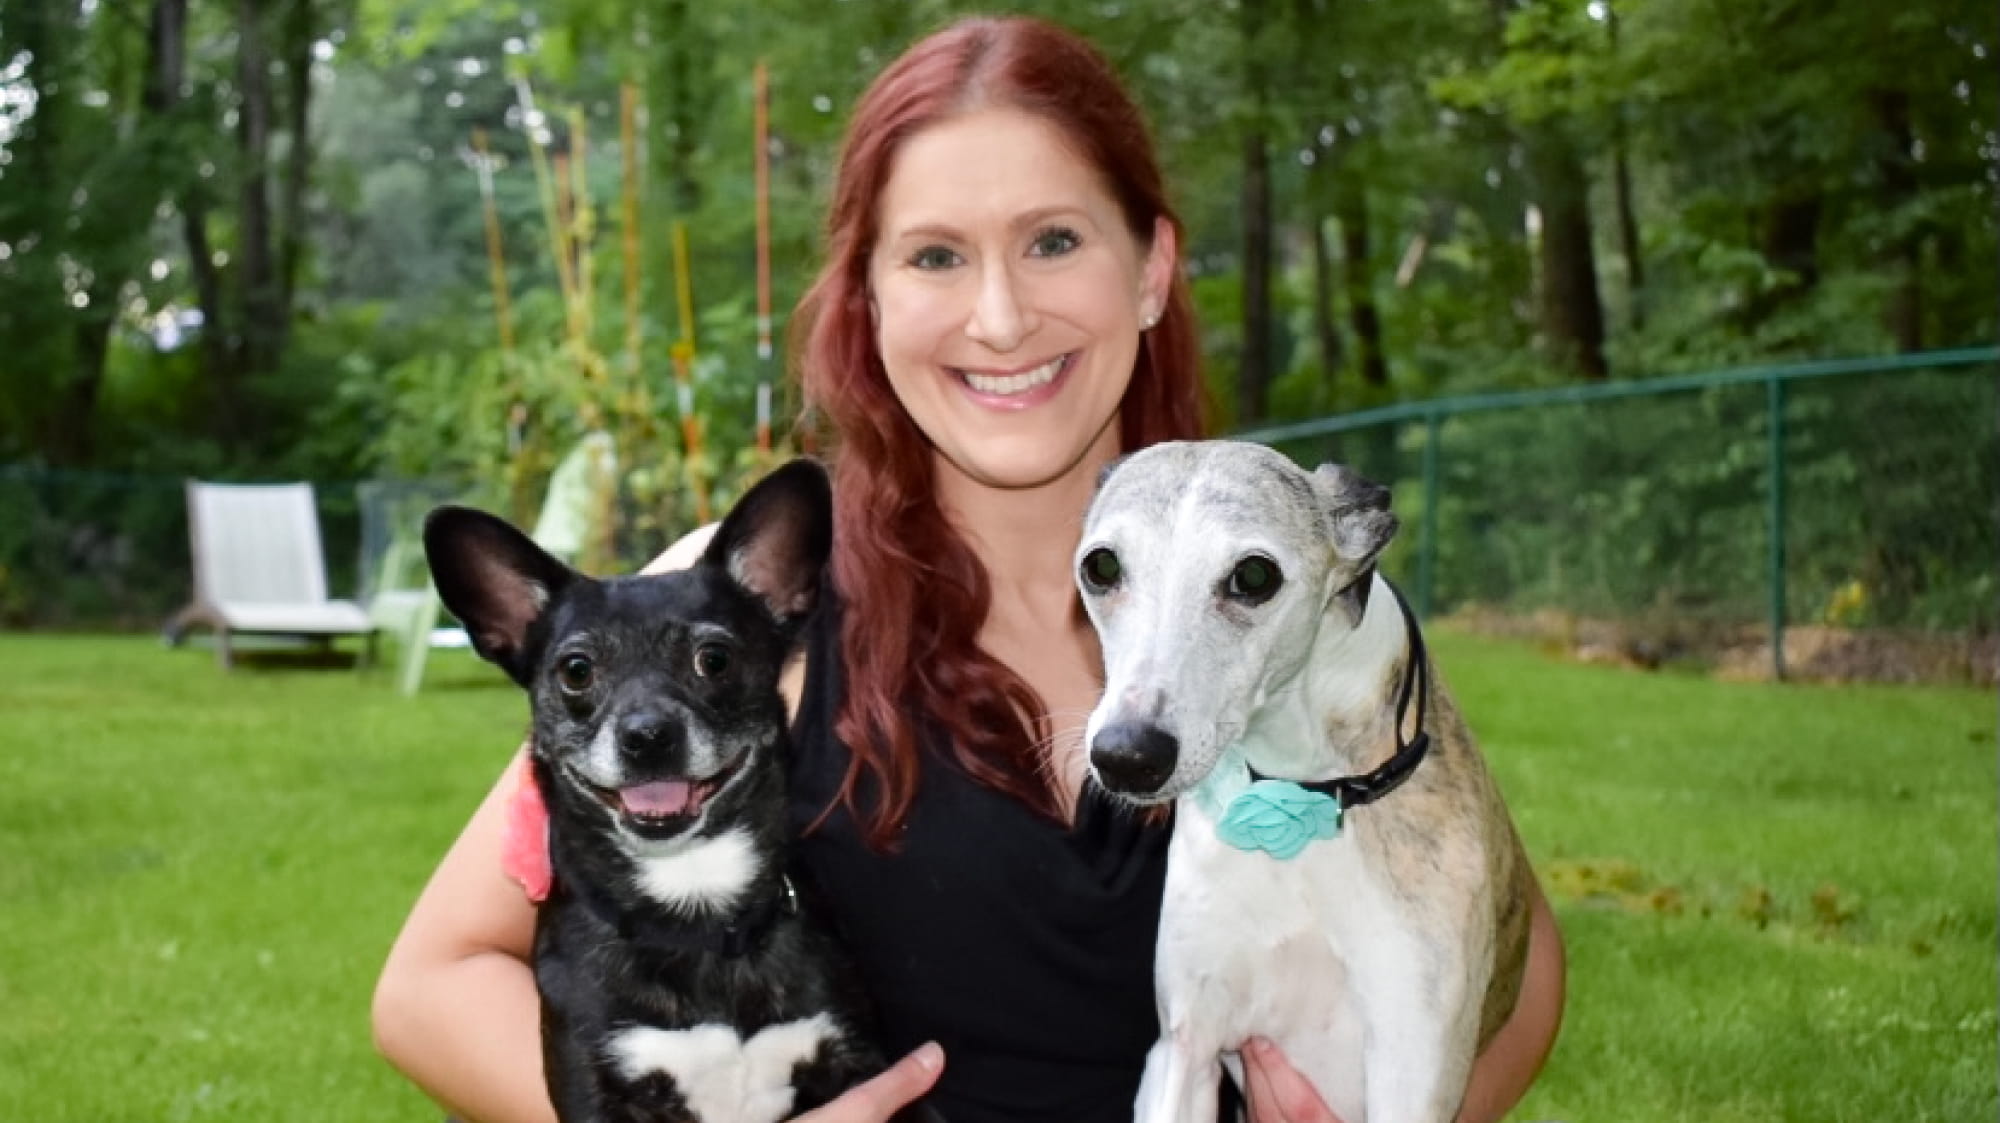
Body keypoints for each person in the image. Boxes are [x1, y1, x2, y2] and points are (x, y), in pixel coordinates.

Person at [371, 16, 1565, 1123]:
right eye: (935, 256)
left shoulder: (1274, 578)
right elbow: (433, 982)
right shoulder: (735, 616)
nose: (998, 318)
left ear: (1149, 267)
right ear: (870, 297)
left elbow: (1516, 966)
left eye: (1053, 241)